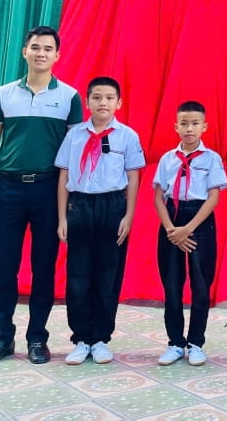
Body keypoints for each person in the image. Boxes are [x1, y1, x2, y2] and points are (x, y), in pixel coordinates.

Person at [0, 26, 83, 366]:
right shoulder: (4, 94)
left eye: (48, 48)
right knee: (4, 271)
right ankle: (2, 338)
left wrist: (69, 200)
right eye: (35, 47)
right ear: (24, 52)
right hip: (8, 189)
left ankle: (37, 339)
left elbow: (74, 151)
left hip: (48, 190)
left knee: (44, 269)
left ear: (57, 55)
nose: (41, 53)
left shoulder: (69, 97)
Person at [55, 76, 145, 365]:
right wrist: (62, 217)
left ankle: (101, 339)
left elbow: (133, 177)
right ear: (87, 102)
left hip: (112, 206)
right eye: (96, 97)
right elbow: (64, 175)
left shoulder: (127, 136)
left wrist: (128, 215)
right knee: (78, 276)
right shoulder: (74, 135)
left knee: (108, 275)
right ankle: (81, 338)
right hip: (80, 205)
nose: (102, 102)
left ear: (119, 103)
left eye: (109, 98)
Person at [152, 101, 227, 366]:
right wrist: (171, 230)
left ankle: (196, 343)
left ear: (204, 127)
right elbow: (159, 196)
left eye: (195, 123)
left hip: (200, 222)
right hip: (171, 221)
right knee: (172, 286)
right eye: (184, 124)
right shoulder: (167, 159)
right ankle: (175, 343)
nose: (189, 129)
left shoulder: (212, 159)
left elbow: (214, 198)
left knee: (200, 286)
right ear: (176, 127)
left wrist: (189, 229)